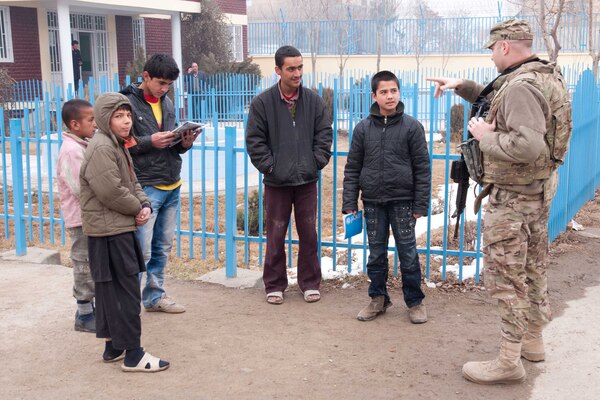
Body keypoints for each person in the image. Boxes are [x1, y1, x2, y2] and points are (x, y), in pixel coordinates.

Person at [427, 18, 572, 385]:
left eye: (492, 49)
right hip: (536, 193)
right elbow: (502, 101)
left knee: (507, 278)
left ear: (505, 46)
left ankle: (509, 361)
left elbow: (527, 145)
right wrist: (463, 87)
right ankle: (533, 342)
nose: (491, 56)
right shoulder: (544, 74)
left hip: (513, 201)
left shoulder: (522, 86)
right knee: (533, 269)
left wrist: (485, 137)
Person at [80, 92, 170, 372]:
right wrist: (137, 209)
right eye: (119, 116)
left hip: (113, 228)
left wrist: (143, 204)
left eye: (128, 115)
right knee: (125, 291)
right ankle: (134, 354)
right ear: (106, 119)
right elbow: (111, 191)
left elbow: (132, 182)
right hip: (110, 232)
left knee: (111, 291)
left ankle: (113, 346)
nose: (126, 121)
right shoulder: (103, 148)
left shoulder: (115, 145)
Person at [245, 45, 333, 305]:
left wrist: (315, 162)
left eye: (300, 67)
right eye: (291, 68)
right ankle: (274, 284)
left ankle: (309, 282)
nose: (297, 73)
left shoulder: (314, 101)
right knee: (275, 233)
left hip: (307, 180)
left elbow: (324, 135)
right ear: (278, 70)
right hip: (276, 182)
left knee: (309, 233)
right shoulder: (262, 103)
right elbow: (255, 140)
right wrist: (271, 167)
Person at [342, 70, 431, 324]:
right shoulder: (362, 129)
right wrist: (350, 203)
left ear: (399, 92)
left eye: (393, 91)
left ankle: (415, 302)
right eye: (384, 92)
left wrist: (420, 203)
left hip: (403, 202)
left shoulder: (412, 127)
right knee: (376, 254)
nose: (389, 96)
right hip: (372, 203)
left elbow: (422, 168)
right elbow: (352, 168)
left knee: (408, 253)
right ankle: (378, 299)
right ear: (374, 96)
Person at [121, 54, 198, 313]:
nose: (165, 89)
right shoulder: (126, 103)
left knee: (161, 248)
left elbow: (172, 144)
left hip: (171, 183)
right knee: (140, 250)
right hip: (145, 186)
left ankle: (154, 297)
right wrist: (149, 141)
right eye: (161, 83)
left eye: (169, 85)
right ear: (145, 76)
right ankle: (128, 303)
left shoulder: (167, 103)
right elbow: (119, 144)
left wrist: (184, 143)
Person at [57, 99, 97, 333]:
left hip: (90, 217)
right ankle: (84, 314)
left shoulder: (82, 145)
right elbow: (81, 189)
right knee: (84, 265)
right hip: (81, 219)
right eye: (90, 120)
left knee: (93, 264)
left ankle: (93, 309)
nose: (94, 124)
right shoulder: (72, 151)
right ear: (74, 124)